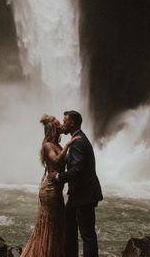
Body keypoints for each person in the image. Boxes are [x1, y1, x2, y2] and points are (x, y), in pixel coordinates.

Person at [20, 115, 81, 257]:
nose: (61, 125)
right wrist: (68, 145)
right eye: (58, 124)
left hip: (56, 190)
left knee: (56, 224)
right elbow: (56, 159)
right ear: (53, 129)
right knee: (51, 225)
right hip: (50, 190)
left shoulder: (56, 145)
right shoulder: (48, 145)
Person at [49, 110, 103, 257]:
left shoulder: (78, 141)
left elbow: (77, 170)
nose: (63, 124)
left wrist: (59, 176)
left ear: (72, 123)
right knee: (70, 227)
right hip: (78, 194)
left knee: (87, 234)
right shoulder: (78, 139)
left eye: (65, 121)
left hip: (84, 195)